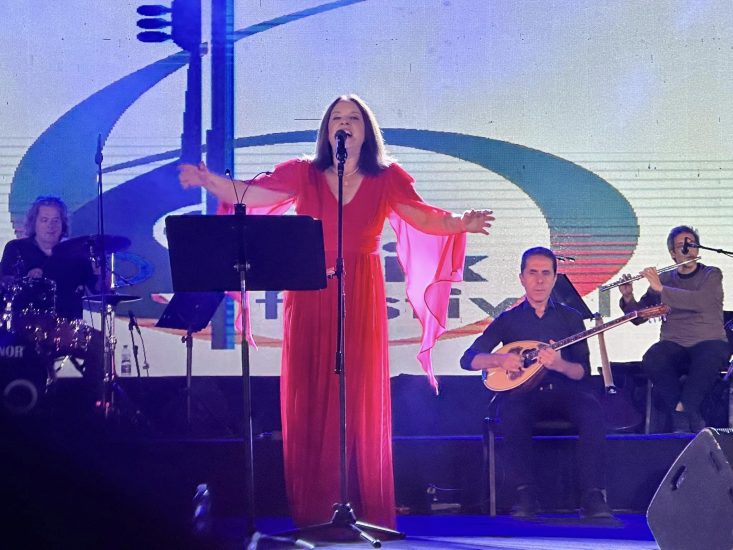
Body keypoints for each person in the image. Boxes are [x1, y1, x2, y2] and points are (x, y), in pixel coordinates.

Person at [178, 94, 495, 528]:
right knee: (312, 393)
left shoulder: (387, 177)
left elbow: (423, 218)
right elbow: (251, 194)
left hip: (361, 290)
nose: (344, 124)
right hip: (310, 288)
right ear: (327, 131)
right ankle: (317, 510)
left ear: (367, 130)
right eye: (336, 119)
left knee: (358, 395)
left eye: (353, 118)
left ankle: (363, 509)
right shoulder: (303, 173)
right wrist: (208, 180)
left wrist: (461, 222)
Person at [460, 247, 612, 519]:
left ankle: (592, 496)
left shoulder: (571, 317)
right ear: (522, 278)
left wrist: (559, 364)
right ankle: (525, 495)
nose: (539, 280)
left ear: (554, 278)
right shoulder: (508, 319)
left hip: (566, 393)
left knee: (592, 411)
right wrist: (500, 361)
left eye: (546, 273)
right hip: (524, 394)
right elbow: (468, 359)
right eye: (532, 273)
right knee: (512, 412)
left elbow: (582, 372)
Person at [618, 226, 729, 433]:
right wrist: (628, 297)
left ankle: (679, 415)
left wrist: (661, 289)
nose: (688, 250)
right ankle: (688, 414)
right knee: (653, 358)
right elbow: (639, 317)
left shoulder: (711, 274)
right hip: (675, 342)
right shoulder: (665, 279)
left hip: (708, 341)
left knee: (711, 356)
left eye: (692, 244)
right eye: (681, 246)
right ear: (672, 253)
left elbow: (701, 301)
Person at [0, 196, 104, 412]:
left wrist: (100, 272)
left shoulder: (77, 254)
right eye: (45, 220)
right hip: (26, 327)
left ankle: (90, 405)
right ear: (34, 222)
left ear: (63, 224)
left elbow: (99, 290)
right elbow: (4, 281)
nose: (51, 226)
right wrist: (25, 279)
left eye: (56, 220)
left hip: (66, 327)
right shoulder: (17, 249)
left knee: (99, 344)